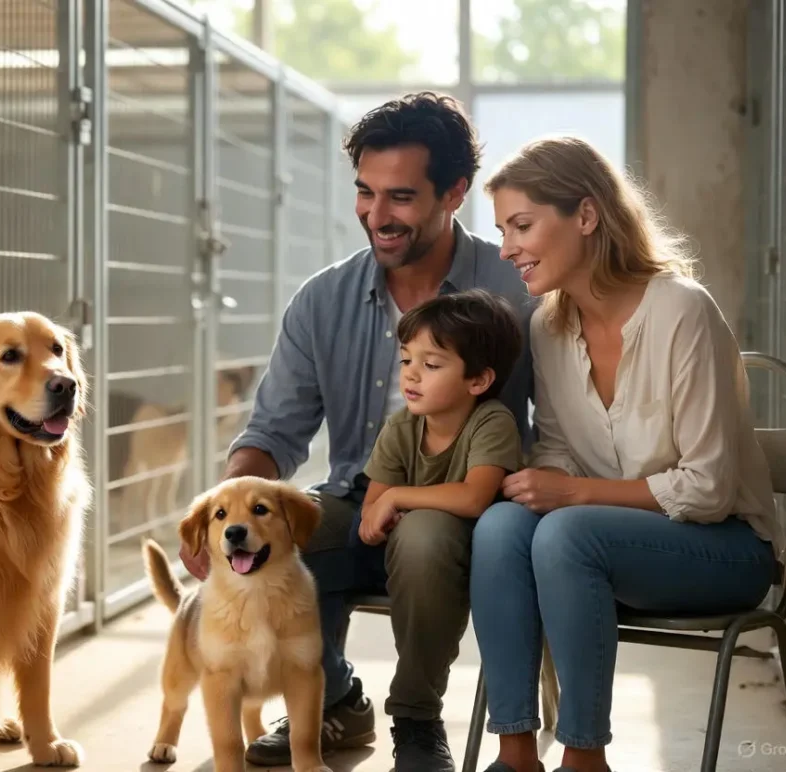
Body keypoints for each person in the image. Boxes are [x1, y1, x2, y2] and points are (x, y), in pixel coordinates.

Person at [178, 91, 535, 771]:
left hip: (467, 509)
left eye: (400, 197)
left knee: (427, 538)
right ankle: (336, 699)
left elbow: (559, 421)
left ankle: (417, 721)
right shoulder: (322, 300)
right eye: (365, 193)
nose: (377, 215)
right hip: (354, 495)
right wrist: (223, 510)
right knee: (273, 532)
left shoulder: (517, 290)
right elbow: (274, 431)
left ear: (454, 192)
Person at [470, 135, 779, 772]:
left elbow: (709, 488)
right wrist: (540, 487)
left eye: (522, 226)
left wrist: (574, 495)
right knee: (502, 528)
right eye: (502, 231)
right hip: (608, 540)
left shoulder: (681, 311)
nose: (506, 250)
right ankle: (515, 753)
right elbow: (557, 450)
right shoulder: (546, 326)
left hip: (725, 548)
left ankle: (585, 759)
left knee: (566, 534)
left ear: (585, 216)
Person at [357, 289, 524, 554]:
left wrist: (396, 496)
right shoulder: (400, 427)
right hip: (416, 550)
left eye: (431, 365)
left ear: (478, 380)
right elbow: (371, 506)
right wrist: (377, 522)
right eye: (406, 360)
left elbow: (474, 498)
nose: (410, 374)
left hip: (480, 552)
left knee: (424, 532)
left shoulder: (492, 422)